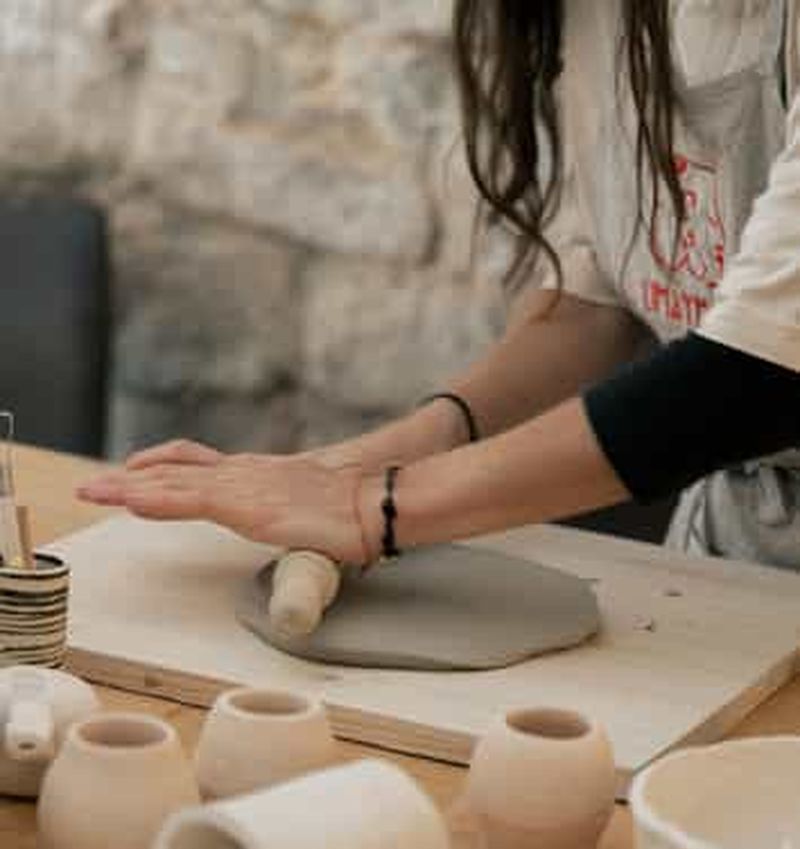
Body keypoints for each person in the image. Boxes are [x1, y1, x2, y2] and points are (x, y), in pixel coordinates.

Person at [80, 0, 800, 570]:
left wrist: (373, 509)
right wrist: (372, 459)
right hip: (735, 553)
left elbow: (758, 374)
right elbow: (594, 307)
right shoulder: (596, 16)